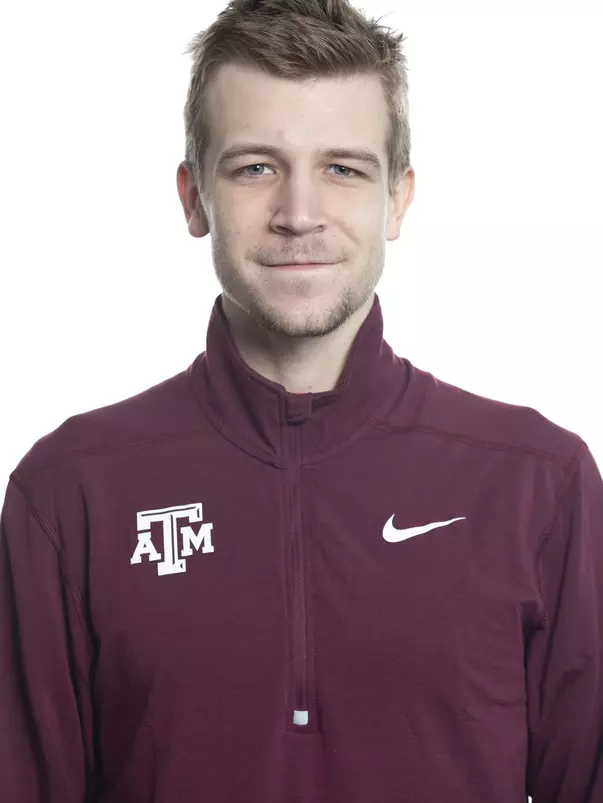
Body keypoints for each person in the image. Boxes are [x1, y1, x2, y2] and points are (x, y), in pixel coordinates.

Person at [1, 0, 602, 801]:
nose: (298, 214)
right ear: (191, 197)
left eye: (342, 168)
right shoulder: (70, 490)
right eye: (254, 167)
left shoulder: (538, 482)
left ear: (397, 198)